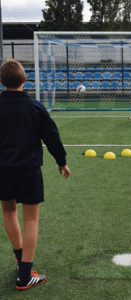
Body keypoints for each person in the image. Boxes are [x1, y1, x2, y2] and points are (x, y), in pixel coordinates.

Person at [0, 58, 71, 290]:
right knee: (31, 219)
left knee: (9, 211)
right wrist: (62, 162)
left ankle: (21, 261)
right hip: (28, 170)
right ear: (25, 79)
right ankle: (25, 274)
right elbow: (52, 136)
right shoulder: (35, 106)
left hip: (3, 170)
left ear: (1, 82)